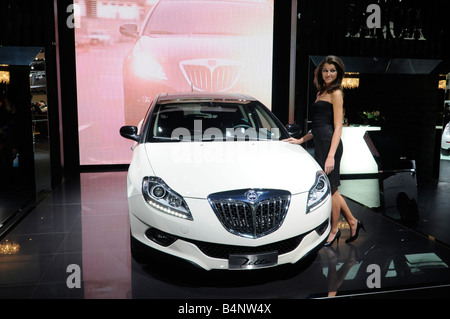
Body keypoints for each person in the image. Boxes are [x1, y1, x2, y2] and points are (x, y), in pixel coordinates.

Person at [284, 55, 364, 246]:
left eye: (333, 71)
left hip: (331, 146)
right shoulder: (321, 92)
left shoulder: (336, 93)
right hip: (320, 144)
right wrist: (301, 139)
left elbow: (337, 127)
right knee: (333, 189)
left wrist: (330, 156)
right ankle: (353, 221)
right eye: (326, 70)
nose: (329, 74)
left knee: (332, 191)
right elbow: (318, 126)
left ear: (338, 73)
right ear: (321, 72)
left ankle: (334, 230)